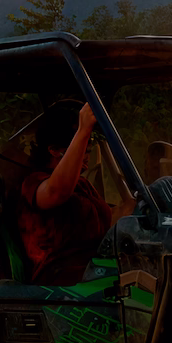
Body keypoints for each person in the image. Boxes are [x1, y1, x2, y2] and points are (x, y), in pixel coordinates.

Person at [17, 101, 134, 285]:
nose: (86, 152)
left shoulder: (82, 185)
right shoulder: (33, 183)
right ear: (54, 150)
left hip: (97, 269)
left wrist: (137, 208)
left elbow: (107, 219)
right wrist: (83, 130)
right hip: (61, 283)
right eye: (82, 147)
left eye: (87, 147)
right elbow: (56, 193)